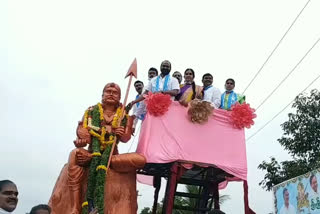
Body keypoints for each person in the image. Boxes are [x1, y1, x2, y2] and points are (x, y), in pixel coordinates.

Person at [49, 82, 146, 214]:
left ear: (119, 97)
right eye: (108, 91)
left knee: (140, 159)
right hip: (91, 153)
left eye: (115, 92)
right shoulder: (90, 112)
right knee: (74, 154)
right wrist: (81, 141)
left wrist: (121, 132)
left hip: (112, 156)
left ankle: (104, 161)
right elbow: (84, 134)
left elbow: (125, 138)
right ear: (102, 95)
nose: (111, 94)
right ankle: (75, 206)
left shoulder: (124, 115)